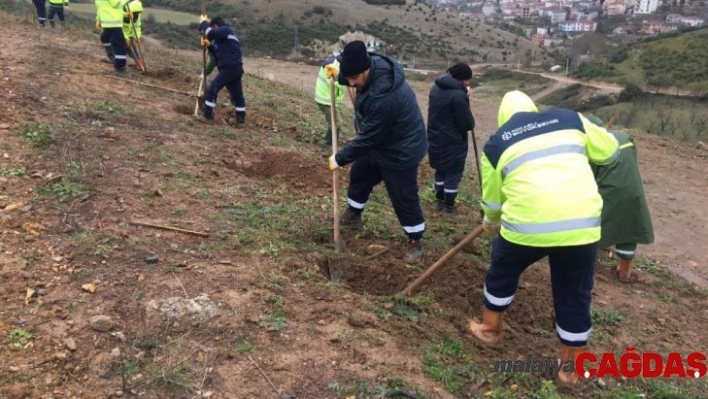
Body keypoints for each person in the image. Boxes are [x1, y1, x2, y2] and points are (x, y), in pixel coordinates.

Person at [468, 91, 619, 386]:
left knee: (502, 271)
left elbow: (494, 203)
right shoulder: (569, 118)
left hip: (527, 226)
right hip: (581, 225)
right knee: (574, 292)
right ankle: (570, 370)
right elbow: (610, 149)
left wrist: (490, 223)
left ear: (503, 119)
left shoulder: (497, 144)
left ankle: (489, 331)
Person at [326, 40, 428, 263]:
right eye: (348, 77)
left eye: (354, 78)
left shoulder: (384, 96)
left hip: (402, 148)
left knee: (403, 195)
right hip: (380, 142)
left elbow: (369, 138)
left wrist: (340, 158)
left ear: (366, 70)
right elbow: (354, 77)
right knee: (360, 174)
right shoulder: (370, 68)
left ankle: (415, 239)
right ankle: (353, 215)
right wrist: (339, 75)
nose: (351, 83)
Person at [587, 115, 654, 283]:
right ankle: (625, 271)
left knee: (592, 227)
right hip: (634, 190)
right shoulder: (625, 137)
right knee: (629, 226)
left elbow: (588, 179)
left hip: (609, 192)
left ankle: (585, 267)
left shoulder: (590, 146)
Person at [426, 62, 475, 218]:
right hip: (453, 141)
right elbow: (467, 124)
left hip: (435, 137)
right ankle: (449, 207)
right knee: (453, 173)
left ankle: (439, 201)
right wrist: (466, 98)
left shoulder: (435, 88)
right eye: (467, 79)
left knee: (440, 170)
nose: (468, 83)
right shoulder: (459, 95)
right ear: (461, 79)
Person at [194, 16, 246, 126]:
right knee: (237, 95)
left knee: (212, 88)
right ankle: (240, 120)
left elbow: (211, 33)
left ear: (215, 26)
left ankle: (208, 116)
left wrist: (203, 23)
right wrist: (208, 45)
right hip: (235, 68)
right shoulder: (224, 38)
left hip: (229, 67)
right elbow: (217, 55)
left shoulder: (226, 30)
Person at [315, 54, 346, 146]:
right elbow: (331, 82)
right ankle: (329, 144)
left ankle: (332, 142)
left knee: (335, 123)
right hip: (325, 100)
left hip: (328, 99)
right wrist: (345, 82)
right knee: (337, 123)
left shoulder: (337, 63)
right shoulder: (332, 65)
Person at [95, 0, 130, 77]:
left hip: (108, 22)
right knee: (120, 45)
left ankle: (112, 58)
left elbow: (105, 8)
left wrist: (124, 14)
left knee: (105, 38)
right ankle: (120, 68)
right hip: (114, 23)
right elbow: (116, 4)